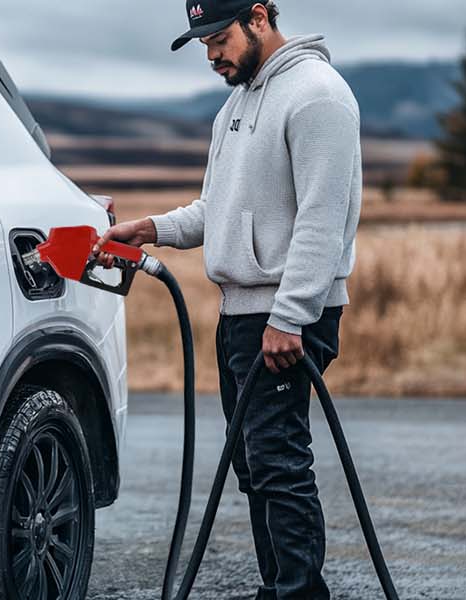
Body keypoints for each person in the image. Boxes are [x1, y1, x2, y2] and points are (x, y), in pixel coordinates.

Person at [97, 1, 361, 597]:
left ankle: (297, 594)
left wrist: (291, 316)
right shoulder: (235, 107)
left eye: (218, 39)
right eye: (203, 44)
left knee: (278, 462)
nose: (211, 55)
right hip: (242, 314)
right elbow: (216, 210)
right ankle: (279, 589)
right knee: (255, 466)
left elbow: (322, 219)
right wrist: (151, 229)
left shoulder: (318, 95)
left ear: (260, 17)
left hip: (289, 315)